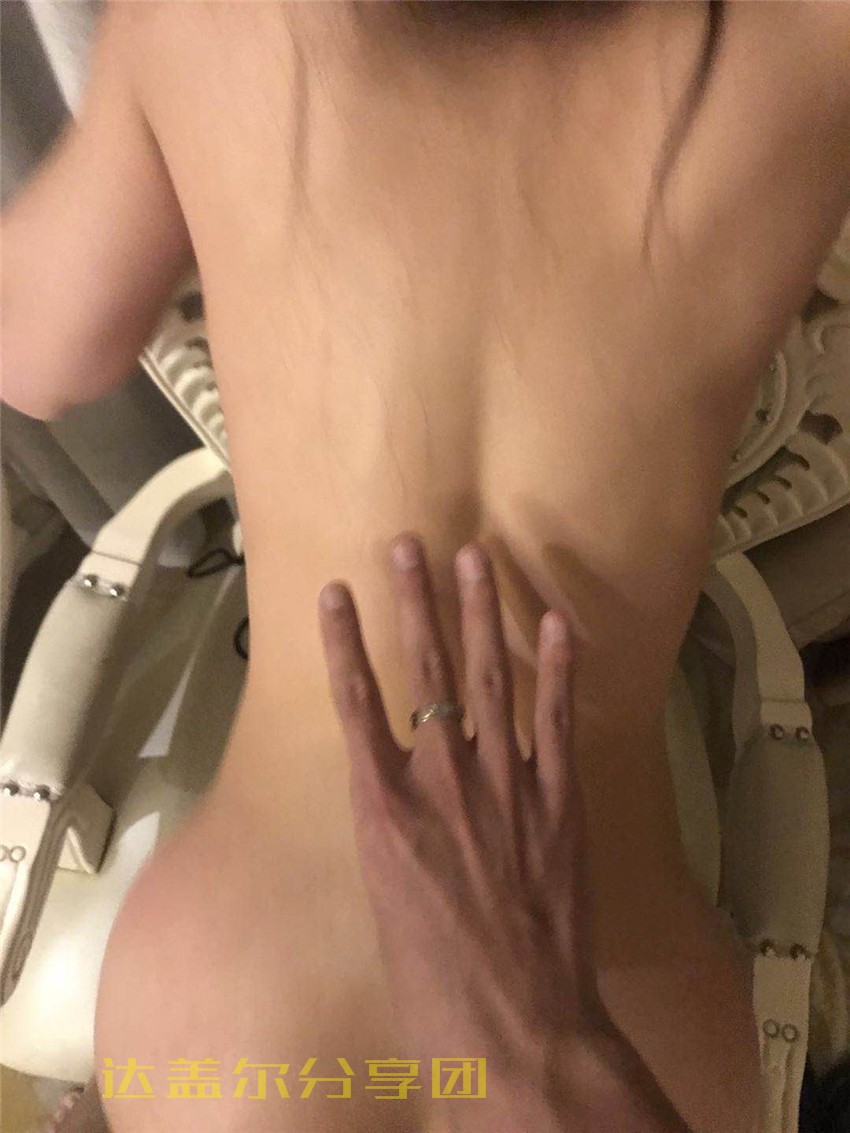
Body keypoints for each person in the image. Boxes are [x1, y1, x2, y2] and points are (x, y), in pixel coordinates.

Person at [3, 3, 850, 1130]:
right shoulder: (810, 42)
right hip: (620, 992)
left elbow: (42, 353)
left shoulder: (210, 22)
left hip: (244, 1007)